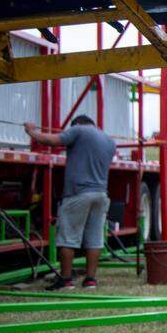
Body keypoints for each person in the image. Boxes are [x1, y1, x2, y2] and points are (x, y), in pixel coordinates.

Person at [25, 115, 117, 290]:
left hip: (78, 194)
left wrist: (31, 130)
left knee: (68, 239)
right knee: (95, 239)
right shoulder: (108, 141)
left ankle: (65, 280)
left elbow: (51, 141)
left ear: (76, 124)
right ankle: (90, 280)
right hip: (101, 194)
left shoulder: (78, 130)